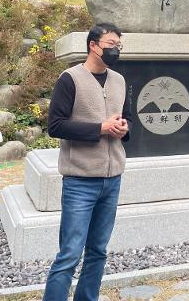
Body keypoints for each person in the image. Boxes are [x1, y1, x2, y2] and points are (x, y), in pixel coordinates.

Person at [43, 23, 131, 301]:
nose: (115, 49)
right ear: (93, 45)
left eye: (119, 45)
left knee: (98, 251)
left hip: (112, 177)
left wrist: (123, 130)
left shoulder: (119, 80)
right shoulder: (69, 79)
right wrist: (99, 129)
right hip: (80, 180)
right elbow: (55, 126)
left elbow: (126, 120)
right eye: (111, 43)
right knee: (69, 254)